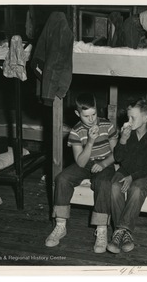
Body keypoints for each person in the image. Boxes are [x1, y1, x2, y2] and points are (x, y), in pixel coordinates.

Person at [45, 93, 118, 253]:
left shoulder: (108, 126)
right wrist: (90, 141)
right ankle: (60, 225)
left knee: (104, 183)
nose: (91, 119)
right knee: (62, 178)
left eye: (94, 114)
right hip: (84, 163)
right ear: (78, 114)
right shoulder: (76, 131)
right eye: (86, 116)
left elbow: (117, 153)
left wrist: (103, 163)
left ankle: (101, 230)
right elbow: (80, 162)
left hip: (105, 162)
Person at [107, 99, 147, 254]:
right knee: (115, 186)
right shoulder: (127, 135)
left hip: (144, 174)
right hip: (125, 170)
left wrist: (132, 177)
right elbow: (118, 158)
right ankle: (124, 234)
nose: (128, 121)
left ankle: (120, 230)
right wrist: (122, 139)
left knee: (136, 190)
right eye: (128, 117)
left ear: (145, 118)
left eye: (133, 118)